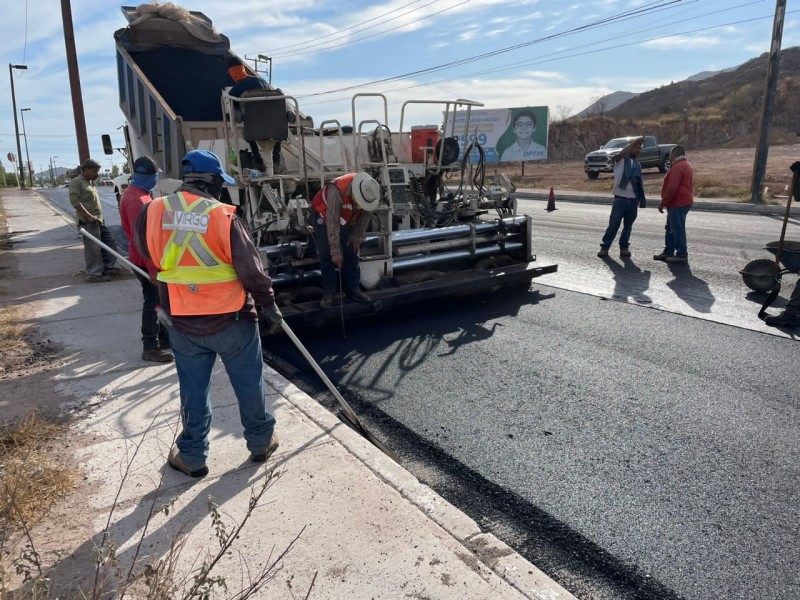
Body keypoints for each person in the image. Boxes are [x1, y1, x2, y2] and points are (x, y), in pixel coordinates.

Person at [134, 149, 283, 477]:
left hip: (181, 319)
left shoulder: (153, 211)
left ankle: (192, 456)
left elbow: (145, 251)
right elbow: (251, 270)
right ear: (213, 182)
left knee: (193, 390)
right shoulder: (222, 216)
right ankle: (260, 442)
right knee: (248, 383)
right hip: (232, 320)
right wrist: (269, 306)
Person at [118, 156, 173, 363]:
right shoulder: (136, 201)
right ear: (147, 177)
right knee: (153, 302)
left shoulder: (139, 194)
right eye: (154, 176)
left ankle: (164, 338)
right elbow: (142, 238)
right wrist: (153, 269)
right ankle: (150, 347)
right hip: (144, 260)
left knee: (159, 300)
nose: (156, 179)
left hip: (146, 257)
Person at [311, 172, 381, 309]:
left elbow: (365, 217)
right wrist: (335, 251)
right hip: (323, 216)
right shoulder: (336, 191)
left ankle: (353, 289)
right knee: (327, 253)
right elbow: (332, 223)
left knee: (351, 251)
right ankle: (329, 292)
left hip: (346, 218)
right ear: (356, 194)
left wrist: (356, 237)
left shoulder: (371, 193)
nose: (362, 206)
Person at [224, 56, 284, 173]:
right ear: (243, 68)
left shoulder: (235, 91)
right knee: (277, 131)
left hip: (254, 130)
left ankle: (258, 162)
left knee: (248, 127)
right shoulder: (262, 82)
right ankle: (275, 161)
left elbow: (237, 114)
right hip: (276, 128)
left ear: (232, 73)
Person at [598, 137, 647, 258]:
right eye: (636, 147)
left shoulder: (637, 164)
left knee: (628, 226)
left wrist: (641, 199)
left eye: (639, 148)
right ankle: (605, 247)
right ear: (629, 147)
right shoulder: (621, 161)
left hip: (633, 200)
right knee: (614, 224)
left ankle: (624, 248)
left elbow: (639, 183)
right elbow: (620, 153)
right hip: (620, 199)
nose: (638, 150)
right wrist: (634, 142)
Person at [70, 158, 118, 282]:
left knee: (110, 244)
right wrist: (88, 216)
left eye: (97, 171)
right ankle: (94, 275)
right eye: (94, 171)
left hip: (98, 221)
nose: (97, 174)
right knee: (93, 249)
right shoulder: (77, 182)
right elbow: (74, 201)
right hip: (88, 222)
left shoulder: (90, 182)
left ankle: (108, 268)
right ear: (85, 170)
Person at [654, 145, 693, 264]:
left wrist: (663, 203)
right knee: (671, 228)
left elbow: (672, 189)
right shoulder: (685, 165)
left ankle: (681, 254)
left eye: (670, 154)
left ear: (673, 154)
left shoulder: (678, 167)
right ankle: (668, 251)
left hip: (678, 202)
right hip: (680, 202)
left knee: (677, 229)